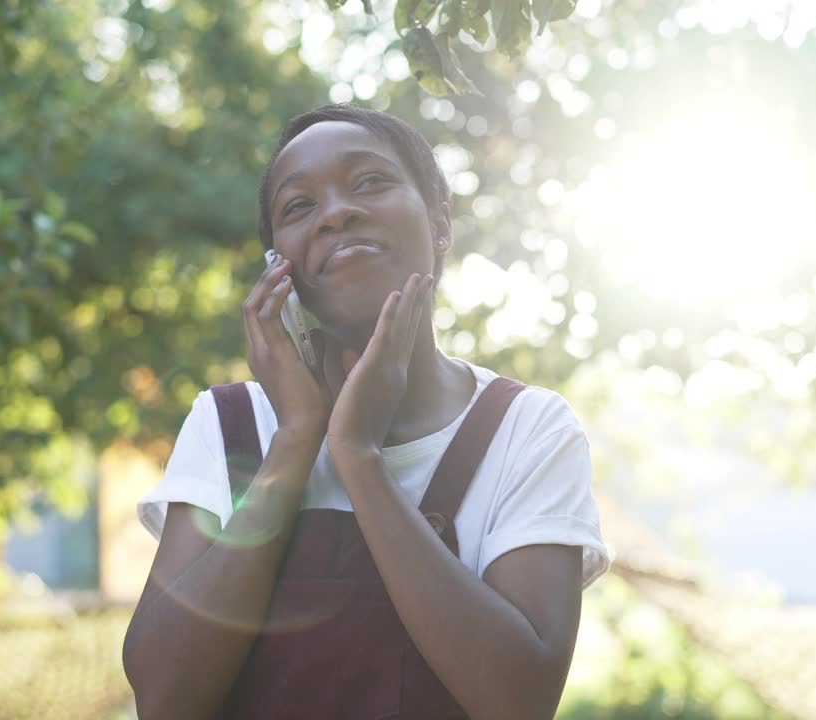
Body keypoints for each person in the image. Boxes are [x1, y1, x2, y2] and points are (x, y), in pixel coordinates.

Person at [122, 103, 609, 720]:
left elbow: (518, 701)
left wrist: (359, 456)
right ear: (280, 266)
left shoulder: (527, 428)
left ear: (439, 224)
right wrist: (297, 440)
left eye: (370, 182)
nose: (336, 214)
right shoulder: (228, 424)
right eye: (299, 207)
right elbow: (164, 702)